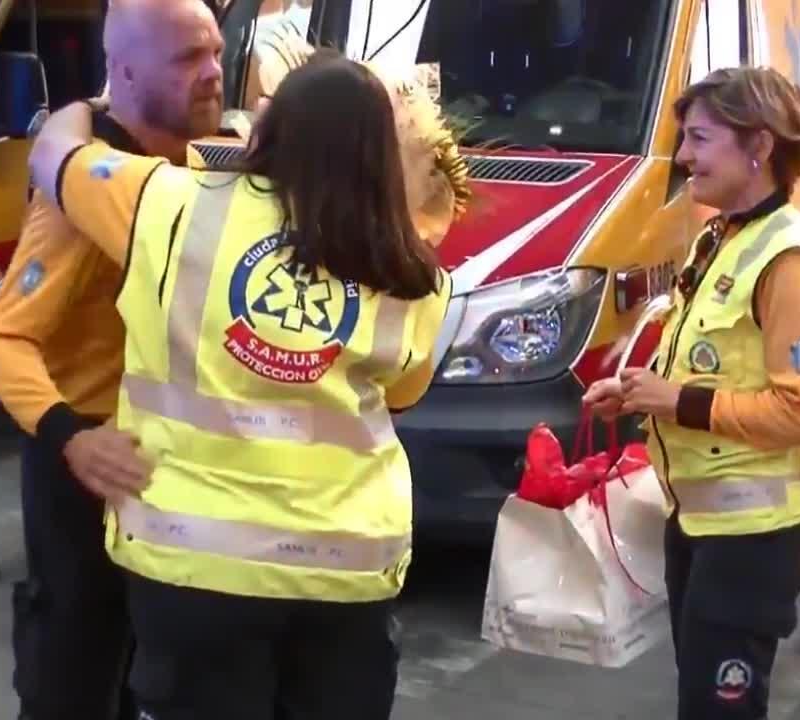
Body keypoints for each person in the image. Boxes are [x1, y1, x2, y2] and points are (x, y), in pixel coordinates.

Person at [23, 1, 468, 716]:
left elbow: (56, 159)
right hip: (344, 574)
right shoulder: (415, 271)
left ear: (272, 131)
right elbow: (404, 395)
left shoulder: (168, 205)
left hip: (194, 567)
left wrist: (88, 102)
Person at [584, 67, 800, 719]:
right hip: (701, 522)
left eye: (700, 139)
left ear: (758, 146)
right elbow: (715, 366)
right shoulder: (723, 237)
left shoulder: (792, 263)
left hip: (755, 536)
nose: (683, 157)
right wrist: (638, 391)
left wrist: (674, 402)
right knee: (701, 699)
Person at [0, 0, 221, 715]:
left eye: (213, 53)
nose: (211, 74)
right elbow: (2, 338)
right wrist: (69, 438)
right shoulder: (80, 195)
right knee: (73, 678)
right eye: (186, 59)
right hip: (86, 468)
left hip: (177, 469)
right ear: (125, 72)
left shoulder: (209, 162)